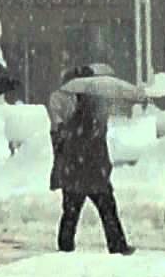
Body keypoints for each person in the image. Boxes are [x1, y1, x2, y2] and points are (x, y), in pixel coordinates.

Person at [48, 66, 134, 255]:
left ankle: (66, 247)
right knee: (107, 210)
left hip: (76, 170)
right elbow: (96, 138)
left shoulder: (66, 106)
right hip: (93, 170)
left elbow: (59, 137)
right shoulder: (94, 107)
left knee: (71, 212)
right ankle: (117, 245)